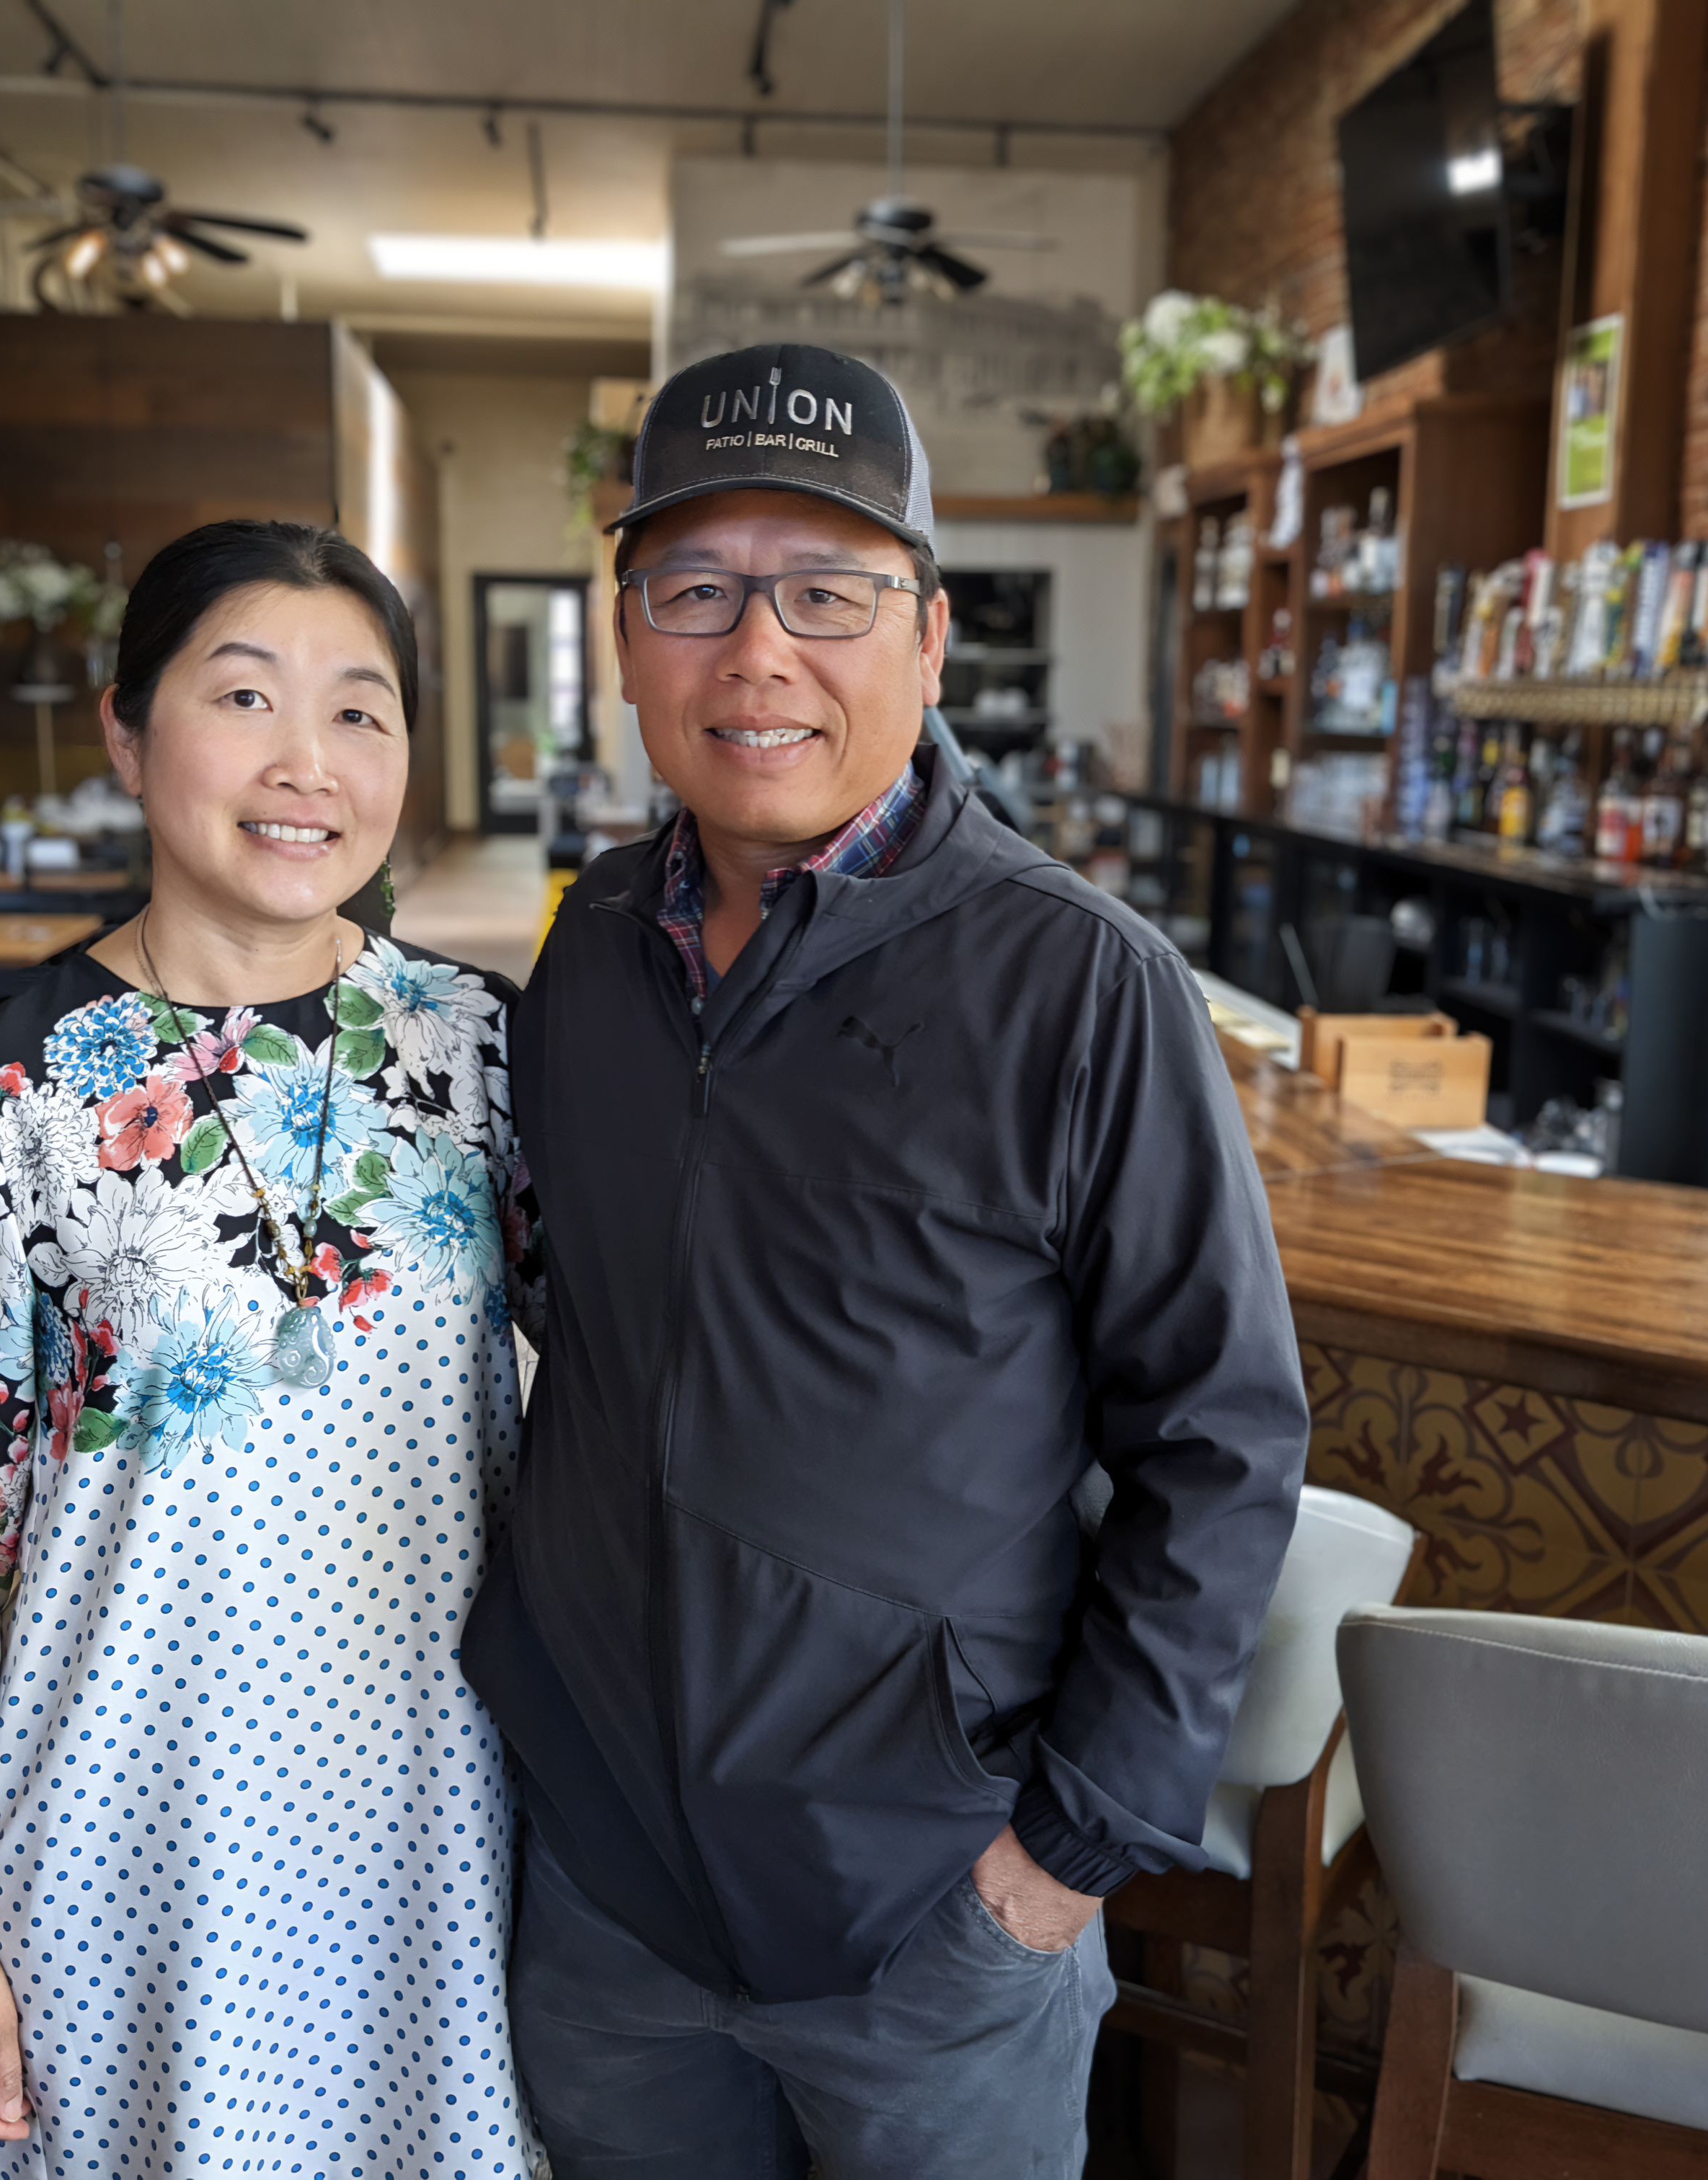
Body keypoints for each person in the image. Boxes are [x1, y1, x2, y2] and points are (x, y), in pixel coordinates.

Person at [466, 343, 1307, 2177]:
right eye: (693, 591)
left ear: (927, 642)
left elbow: (1222, 1443)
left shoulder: (1081, 984)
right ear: (626, 643)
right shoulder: (595, 944)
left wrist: (1065, 1854)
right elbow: (577, 1319)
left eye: (828, 593)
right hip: (606, 1895)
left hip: (931, 1908)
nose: (756, 651)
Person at [0, 520, 539, 2177]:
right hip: (125, 1838)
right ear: (126, 730)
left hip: (446, 1827)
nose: (310, 764)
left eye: (362, 712)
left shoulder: (486, 1052)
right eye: (245, 697)